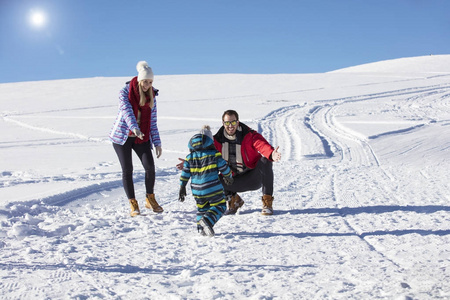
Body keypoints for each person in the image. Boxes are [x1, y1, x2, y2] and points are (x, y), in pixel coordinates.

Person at [177, 110, 281, 216]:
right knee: (212, 177)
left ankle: (267, 203)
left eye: (233, 122)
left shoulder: (249, 135)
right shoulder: (217, 141)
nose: (230, 125)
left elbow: (261, 145)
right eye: (227, 123)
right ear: (223, 123)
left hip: (253, 178)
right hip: (232, 181)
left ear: (238, 122)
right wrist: (191, 163)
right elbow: (206, 155)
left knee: (265, 161)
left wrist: (271, 153)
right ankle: (234, 199)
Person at [109, 61, 163, 217]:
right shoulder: (125, 92)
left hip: (142, 136)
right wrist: (135, 128)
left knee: (150, 167)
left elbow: (152, 122)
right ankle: (133, 203)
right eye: (145, 81)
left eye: (151, 82)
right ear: (140, 80)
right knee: (127, 169)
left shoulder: (152, 96)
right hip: (123, 137)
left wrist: (157, 142)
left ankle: (150, 198)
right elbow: (127, 113)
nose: (148, 85)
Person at [178, 125, 234, 237]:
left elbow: (185, 173)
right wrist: (229, 176)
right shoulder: (214, 154)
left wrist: (182, 186)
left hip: (197, 190)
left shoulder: (189, 157)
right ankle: (208, 221)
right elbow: (224, 167)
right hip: (212, 187)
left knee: (202, 207)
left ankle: (201, 229)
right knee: (220, 205)